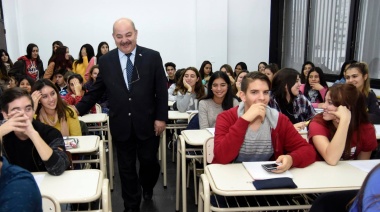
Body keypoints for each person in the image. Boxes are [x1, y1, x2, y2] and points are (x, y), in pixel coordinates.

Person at [74, 18, 168, 211]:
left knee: (149, 163)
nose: (124, 40)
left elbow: (161, 90)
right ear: (113, 38)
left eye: (128, 35)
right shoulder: (106, 61)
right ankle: (131, 205)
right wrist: (76, 109)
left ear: (136, 33)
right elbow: (97, 90)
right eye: (119, 36)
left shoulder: (152, 57)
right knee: (125, 168)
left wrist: (161, 118)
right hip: (121, 125)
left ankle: (148, 185)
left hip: (148, 124)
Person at [213, 72, 315, 169]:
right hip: (230, 177)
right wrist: (244, 120)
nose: (262, 98)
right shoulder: (226, 117)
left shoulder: (278, 119)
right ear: (243, 96)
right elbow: (221, 157)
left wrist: (291, 159)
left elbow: (308, 151)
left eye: (266, 92)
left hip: (265, 178)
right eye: (254, 92)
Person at [0, 87, 69, 175]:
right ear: (5, 114)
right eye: (16, 111)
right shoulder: (3, 134)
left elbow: (59, 168)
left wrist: (33, 134)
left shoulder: (50, 133)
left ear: (33, 111)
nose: (23, 115)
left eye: (28, 109)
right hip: (12, 186)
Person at [308, 83, 377, 165]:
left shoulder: (366, 128)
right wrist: (344, 120)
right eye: (324, 101)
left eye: (330, 103)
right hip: (320, 173)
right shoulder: (318, 123)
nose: (324, 106)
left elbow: (362, 165)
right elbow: (331, 159)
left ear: (347, 108)